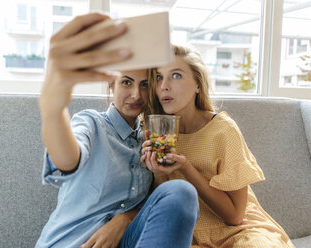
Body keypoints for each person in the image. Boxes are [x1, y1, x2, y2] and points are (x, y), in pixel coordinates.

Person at [36, 13, 199, 248]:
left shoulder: (150, 139)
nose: (136, 95)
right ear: (111, 84)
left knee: (180, 191)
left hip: (127, 241)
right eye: (126, 82)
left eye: (144, 85)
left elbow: (160, 208)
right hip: (71, 243)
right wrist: (53, 109)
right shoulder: (92, 123)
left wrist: (125, 218)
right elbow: (66, 159)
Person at [141, 44, 296, 247]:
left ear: (198, 84)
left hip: (238, 232)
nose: (164, 86)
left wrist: (187, 168)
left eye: (176, 75)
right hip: (190, 236)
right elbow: (165, 207)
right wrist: (158, 173)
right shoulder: (154, 131)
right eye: (159, 77)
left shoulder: (222, 130)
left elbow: (235, 216)